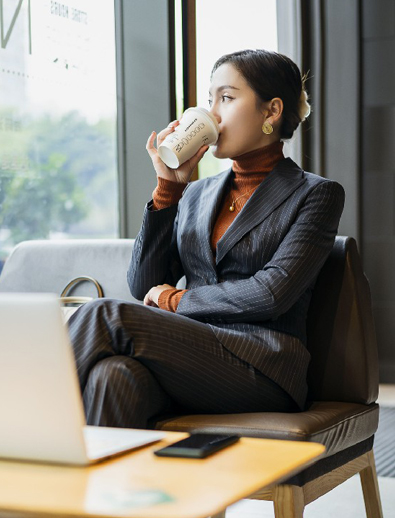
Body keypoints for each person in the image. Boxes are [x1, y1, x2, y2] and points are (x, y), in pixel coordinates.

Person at [68, 49, 345, 429]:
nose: (212, 113)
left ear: (271, 111)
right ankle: (107, 490)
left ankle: (17, 417)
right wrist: (168, 187)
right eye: (209, 100)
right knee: (112, 376)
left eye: (227, 98)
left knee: (105, 313)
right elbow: (143, 285)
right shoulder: (196, 193)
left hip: (262, 366)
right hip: (191, 358)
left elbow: (271, 292)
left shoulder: (315, 194)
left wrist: (177, 300)